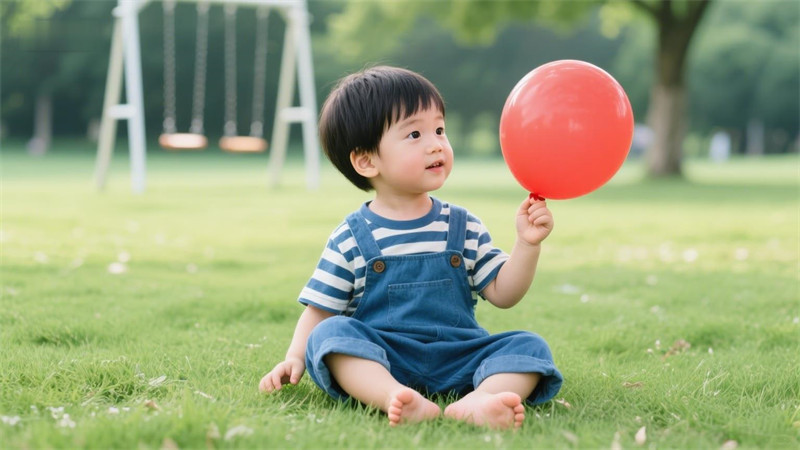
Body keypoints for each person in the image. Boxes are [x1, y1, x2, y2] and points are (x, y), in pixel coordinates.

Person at [260, 66, 562, 429]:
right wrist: (294, 357)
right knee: (329, 336)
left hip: (460, 356)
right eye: (415, 134)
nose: (436, 143)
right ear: (367, 160)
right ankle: (392, 396)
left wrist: (527, 245)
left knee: (529, 347)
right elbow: (320, 312)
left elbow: (504, 293)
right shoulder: (351, 237)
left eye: (439, 130)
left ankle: (478, 401)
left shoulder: (462, 225)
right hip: (384, 359)